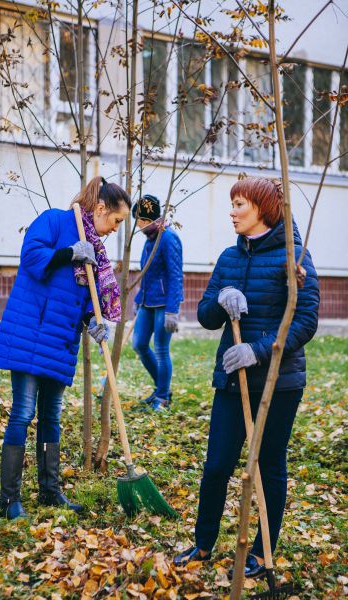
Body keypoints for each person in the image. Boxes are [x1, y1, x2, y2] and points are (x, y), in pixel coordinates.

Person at [173, 177, 319, 579]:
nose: (232, 211)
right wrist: (221, 301)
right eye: (232, 203)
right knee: (217, 464)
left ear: (263, 209)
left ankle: (262, 550)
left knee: (269, 465)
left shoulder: (296, 258)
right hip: (231, 381)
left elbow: (305, 321)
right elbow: (204, 316)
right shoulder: (228, 258)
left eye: (240, 204)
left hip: (278, 382)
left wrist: (257, 350)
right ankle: (203, 543)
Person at [0, 176, 131, 519]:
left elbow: (86, 298)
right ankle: (9, 499)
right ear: (100, 209)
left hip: (59, 342)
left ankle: (50, 492)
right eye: (116, 221)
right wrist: (68, 253)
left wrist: (92, 322)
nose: (115, 230)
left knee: (51, 416)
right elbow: (32, 257)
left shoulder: (95, 249)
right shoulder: (54, 220)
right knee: (23, 413)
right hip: (30, 333)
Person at [131, 194, 183, 411]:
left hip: (164, 304)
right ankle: (160, 387)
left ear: (148, 219)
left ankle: (162, 397)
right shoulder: (149, 239)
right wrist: (138, 299)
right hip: (147, 301)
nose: (137, 224)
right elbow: (147, 273)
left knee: (161, 349)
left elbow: (175, 275)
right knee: (139, 344)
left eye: (139, 220)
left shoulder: (168, 238)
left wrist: (172, 310)